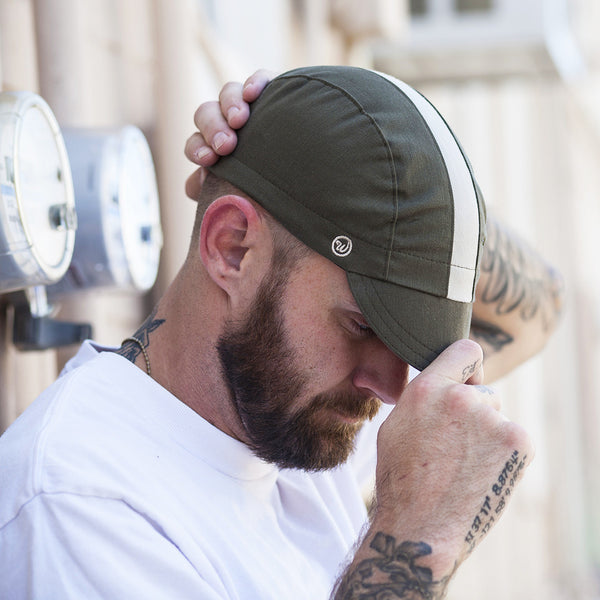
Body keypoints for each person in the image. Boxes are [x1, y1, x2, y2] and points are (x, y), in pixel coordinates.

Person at [0, 66, 562, 599]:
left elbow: (538, 307)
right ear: (233, 248)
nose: (393, 389)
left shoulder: (286, 416)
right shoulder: (79, 505)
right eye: (363, 324)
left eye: (408, 343)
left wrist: (330, 162)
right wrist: (418, 538)